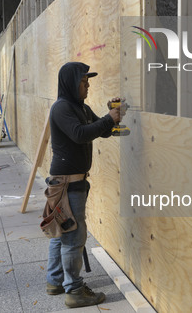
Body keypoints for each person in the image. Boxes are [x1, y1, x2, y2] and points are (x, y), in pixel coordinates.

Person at [45, 62, 123, 308]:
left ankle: (55, 282)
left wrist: (112, 116)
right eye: (83, 81)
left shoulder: (81, 107)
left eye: (88, 81)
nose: (88, 85)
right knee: (73, 237)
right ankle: (74, 291)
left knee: (61, 233)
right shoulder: (61, 108)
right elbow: (80, 134)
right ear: (70, 82)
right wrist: (108, 119)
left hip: (71, 183)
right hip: (67, 185)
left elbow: (102, 131)